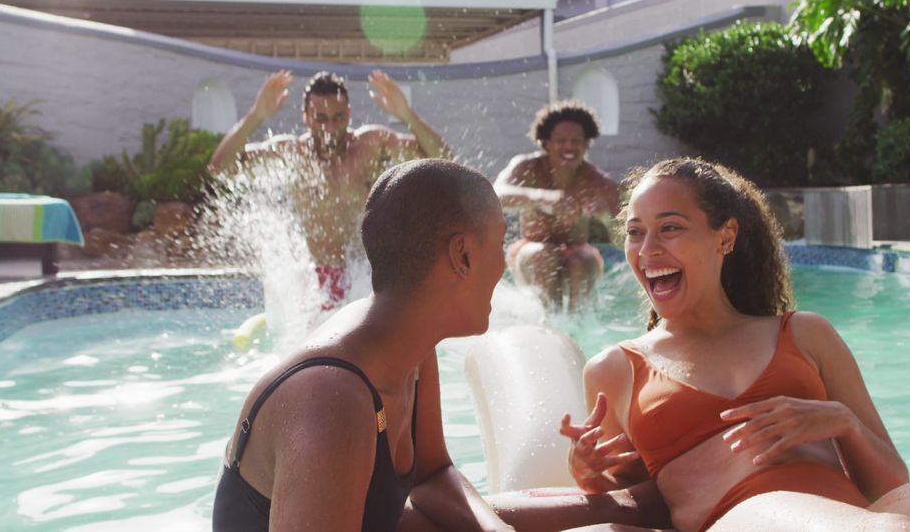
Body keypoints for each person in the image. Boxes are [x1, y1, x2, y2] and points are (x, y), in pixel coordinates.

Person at [559, 157, 910, 531]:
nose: (648, 250)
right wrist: (588, 474)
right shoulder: (618, 370)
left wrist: (841, 424)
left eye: (670, 228)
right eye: (635, 232)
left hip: (855, 513)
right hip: (744, 518)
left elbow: (888, 483)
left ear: (725, 237)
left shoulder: (805, 334)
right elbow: (638, 501)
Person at [213, 159, 515, 531]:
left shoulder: (410, 343)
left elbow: (431, 475)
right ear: (462, 255)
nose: (505, 263)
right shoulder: (332, 400)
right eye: (501, 242)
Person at [207, 69, 449, 309]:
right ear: (305, 117)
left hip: (368, 277)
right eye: (321, 118)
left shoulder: (370, 146)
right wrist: (256, 116)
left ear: (349, 114)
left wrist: (406, 114)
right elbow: (220, 170)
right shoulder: (293, 153)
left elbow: (442, 158)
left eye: (338, 117)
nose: (330, 128)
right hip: (319, 285)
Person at [494, 100, 619, 313]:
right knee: (544, 255)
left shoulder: (595, 180)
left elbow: (625, 225)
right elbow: (496, 194)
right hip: (532, 250)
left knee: (583, 261)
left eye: (576, 141)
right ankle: (547, 323)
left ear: (586, 144)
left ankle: (579, 327)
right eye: (561, 140)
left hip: (579, 253)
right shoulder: (528, 168)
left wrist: (605, 218)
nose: (569, 147)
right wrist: (542, 198)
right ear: (546, 143)